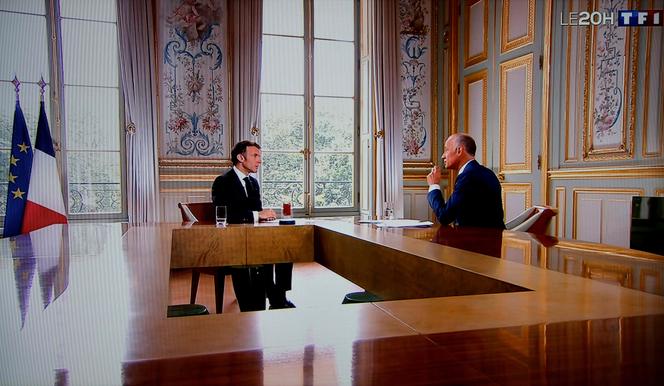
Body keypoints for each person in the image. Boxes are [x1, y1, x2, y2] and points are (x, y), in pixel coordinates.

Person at [211, 140, 295, 311]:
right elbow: (224, 215)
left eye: (259, 156)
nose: (259, 160)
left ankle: (279, 295)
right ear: (240, 157)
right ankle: (273, 297)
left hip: (255, 238)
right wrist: (258, 214)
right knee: (260, 257)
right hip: (234, 242)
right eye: (255, 156)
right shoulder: (222, 182)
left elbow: (256, 212)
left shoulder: (253, 183)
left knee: (286, 248)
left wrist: (265, 216)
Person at [426, 133, 505, 229]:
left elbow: (444, 216)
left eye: (446, 150)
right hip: (492, 240)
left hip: (478, 242)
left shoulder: (469, 176)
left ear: (459, 150)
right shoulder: (486, 172)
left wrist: (434, 186)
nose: (443, 156)